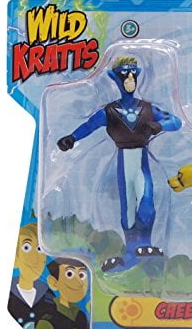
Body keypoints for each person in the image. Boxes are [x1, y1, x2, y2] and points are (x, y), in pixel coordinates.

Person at [57, 55, 182, 273]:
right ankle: (132, 250)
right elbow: (89, 126)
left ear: (138, 75)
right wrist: (72, 138)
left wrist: (159, 126)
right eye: (124, 73)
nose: (129, 77)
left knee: (147, 203)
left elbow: (175, 121)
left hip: (141, 159)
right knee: (128, 209)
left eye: (133, 73)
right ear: (114, 77)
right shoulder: (110, 112)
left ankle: (145, 245)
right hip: (124, 161)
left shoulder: (147, 108)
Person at [8, 223, 55, 329]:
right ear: (17, 254)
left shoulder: (49, 295)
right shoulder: (12, 293)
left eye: (39, 249)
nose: (35, 258)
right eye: (26, 247)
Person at [35, 258, 89, 329]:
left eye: (81, 275)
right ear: (54, 282)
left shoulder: (81, 316)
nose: (80, 283)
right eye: (69, 274)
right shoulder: (48, 320)